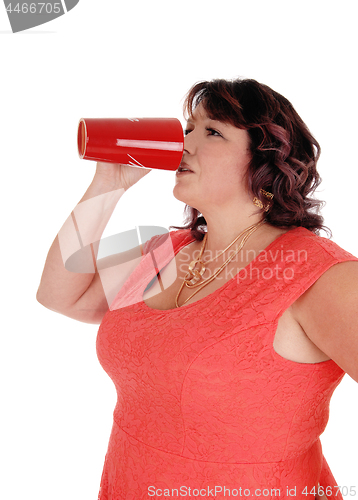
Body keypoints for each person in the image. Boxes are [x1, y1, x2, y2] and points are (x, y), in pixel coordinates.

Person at [36, 78, 358, 499]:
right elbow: (59, 293)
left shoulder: (320, 272)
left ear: (266, 159)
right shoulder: (163, 247)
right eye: (188, 128)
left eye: (212, 131)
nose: (184, 143)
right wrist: (107, 185)